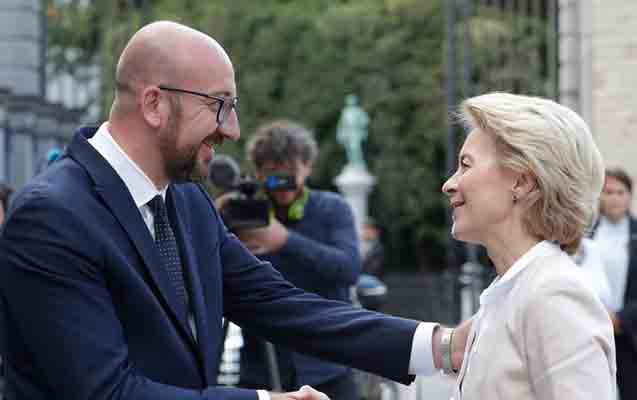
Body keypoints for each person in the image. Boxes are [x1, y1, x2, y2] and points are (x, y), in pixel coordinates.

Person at [0, 21, 468, 400]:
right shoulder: (51, 218)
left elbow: (280, 306)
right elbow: (104, 391)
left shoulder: (187, 201)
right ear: (154, 104)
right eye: (220, 105)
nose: (234, 130)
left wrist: (440, 346)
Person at [442, 92, 616, 400]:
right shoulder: (512, 290)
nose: (449, 185)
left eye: (466, 165)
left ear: (521, 182)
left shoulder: (555, 295)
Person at [231, 119, 361, 399]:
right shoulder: (244, 212)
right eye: (272, 173)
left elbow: (348, 268)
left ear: (308, 167)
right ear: (258, 173)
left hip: (329, 366)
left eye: (290, 172)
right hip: (260, 370)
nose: (282, 182)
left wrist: (286, 241)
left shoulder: (332, 208)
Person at [592, 167, 637, 400]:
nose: (614, 198)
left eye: (620, 192)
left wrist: (619, 319)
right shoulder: (583, 235)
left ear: (629, 196)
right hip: (591, 330)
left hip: (629, 332)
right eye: (608, 192)